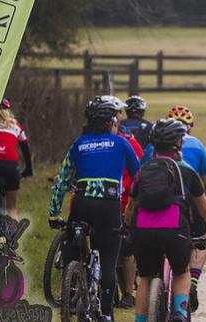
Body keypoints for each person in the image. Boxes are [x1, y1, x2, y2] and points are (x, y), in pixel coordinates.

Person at [48, 95, 140, 322]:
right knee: (108, 261)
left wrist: (53, 211)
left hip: (82, 203)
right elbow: (139, 177)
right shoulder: (121, 143)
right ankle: (107, 314)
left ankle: (70, 288)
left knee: (72, 244)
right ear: (112, 122)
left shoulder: (78, 144)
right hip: (109, 205)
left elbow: (62, 181)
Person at [126, 118, 206, 322]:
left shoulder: (143, 170)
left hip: (142, 229)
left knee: (145, 278)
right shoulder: (187, 170)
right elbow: (205, 208)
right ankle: (180, 313)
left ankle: (140, 320)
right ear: (178, 143)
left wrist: (127, 229)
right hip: (174, 229)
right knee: (181, 272)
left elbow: (131, 206)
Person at [0, 98, 33, 219]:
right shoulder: (17, 126)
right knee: (11, 206)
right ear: (8, 110)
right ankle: (14, 236)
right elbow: (25, 149)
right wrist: (28, 169)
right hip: (11, 166)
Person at [114, 115, 144, 309]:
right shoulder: (91, 142)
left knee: (126, 249)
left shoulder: (130, 143)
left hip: (126, 202)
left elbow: (139, 173)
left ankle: (127, 293)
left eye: (115, 122)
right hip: (104, 202)